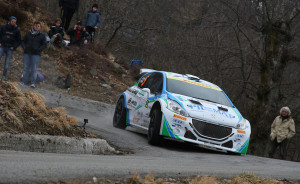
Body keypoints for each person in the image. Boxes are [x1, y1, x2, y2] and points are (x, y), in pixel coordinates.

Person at [21, 21, 47, 88]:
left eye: (38, 26)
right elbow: (23, 41)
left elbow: (44, 45)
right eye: (35, 25)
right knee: (26, 68)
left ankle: (33, 83)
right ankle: (23, 81)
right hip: (27, 53)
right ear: (33, 26)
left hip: (36, 54)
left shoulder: (42, 35)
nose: (36, 27)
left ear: (40, 27)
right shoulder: (28, 33)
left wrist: (38, 49)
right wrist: (24, 47)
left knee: (34, 69)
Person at [0, 16, 21, 81]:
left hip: (10, 48)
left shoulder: (17, 30)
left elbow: (19, 40)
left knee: (7, 63)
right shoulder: (3, 27)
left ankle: (4, 76)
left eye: (14, 22)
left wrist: (14, 47)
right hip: (2, 46)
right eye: (12, 21)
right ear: (9, 21)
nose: (13, 22)